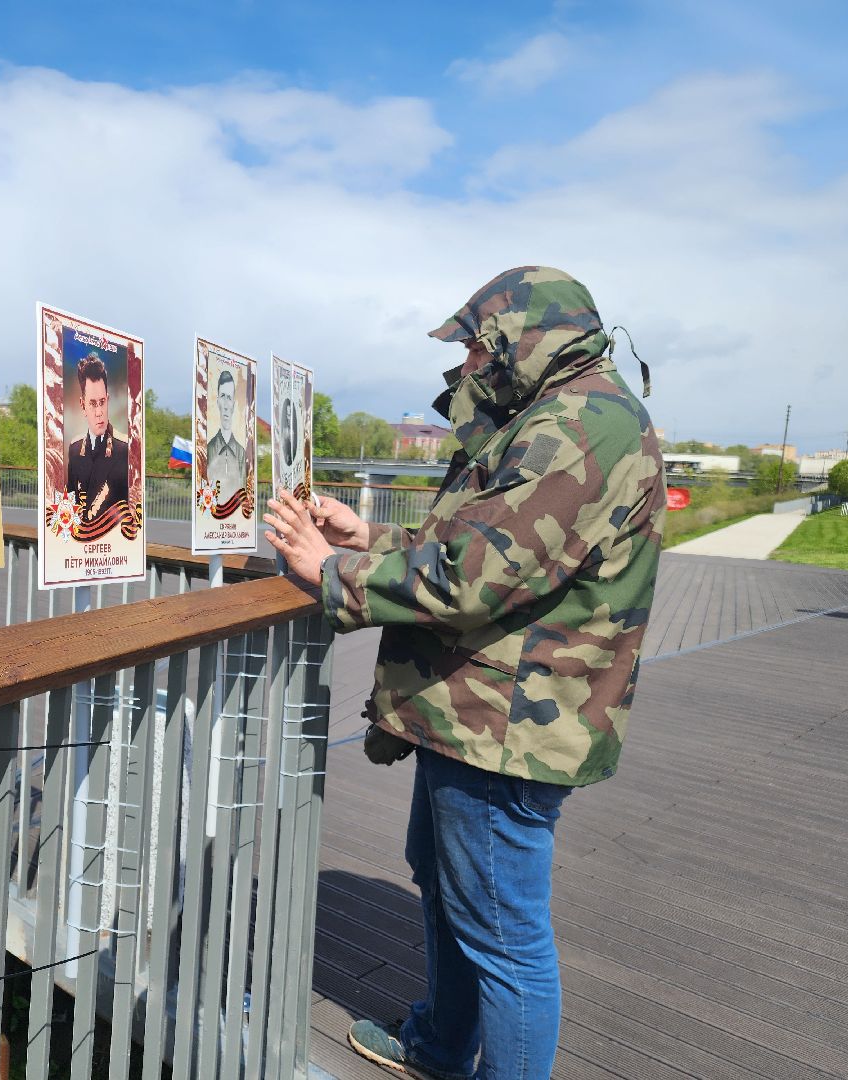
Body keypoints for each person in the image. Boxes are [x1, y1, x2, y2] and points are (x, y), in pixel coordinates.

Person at [263, 266, 665, 1080]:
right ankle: (440, 1048)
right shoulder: (561, 411)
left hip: (508, 723)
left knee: (506, 940)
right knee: (448, 886)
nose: (470, 366)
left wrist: (330, 571)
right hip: (478, 711)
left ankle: (456, 1053)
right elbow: (480, 543)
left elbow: (475, 577)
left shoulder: (583, 424)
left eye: (480, 349)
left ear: (524, 338)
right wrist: (368, 537)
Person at [66, 353, 129, 520]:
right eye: (93, 404)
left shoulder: (124, 449)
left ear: (108, 399)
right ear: (82, 405)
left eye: (102, 402)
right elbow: (71, 504)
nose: (99, 412)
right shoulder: (75, 449)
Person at [205, 367, 247, 497]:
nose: (226, 405)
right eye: (223, 396)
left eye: (229, 398)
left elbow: (244, 493)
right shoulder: (208, 449)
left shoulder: (241, 452)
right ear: (217, 401)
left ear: (233, 404)